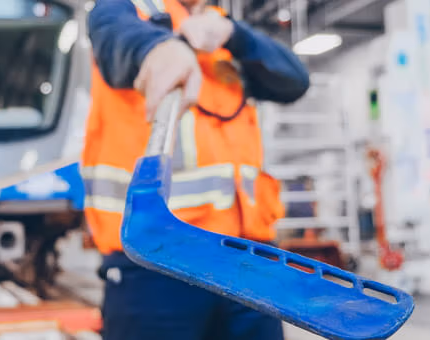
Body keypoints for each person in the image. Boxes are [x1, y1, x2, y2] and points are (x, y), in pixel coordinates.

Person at [81, 0, 310, 339]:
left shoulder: (218, 32)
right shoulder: (127, 9)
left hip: (247, 259)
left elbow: (294, 80)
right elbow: (114, 34)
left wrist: (235, 34)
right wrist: (157, 48)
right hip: (157, 260)